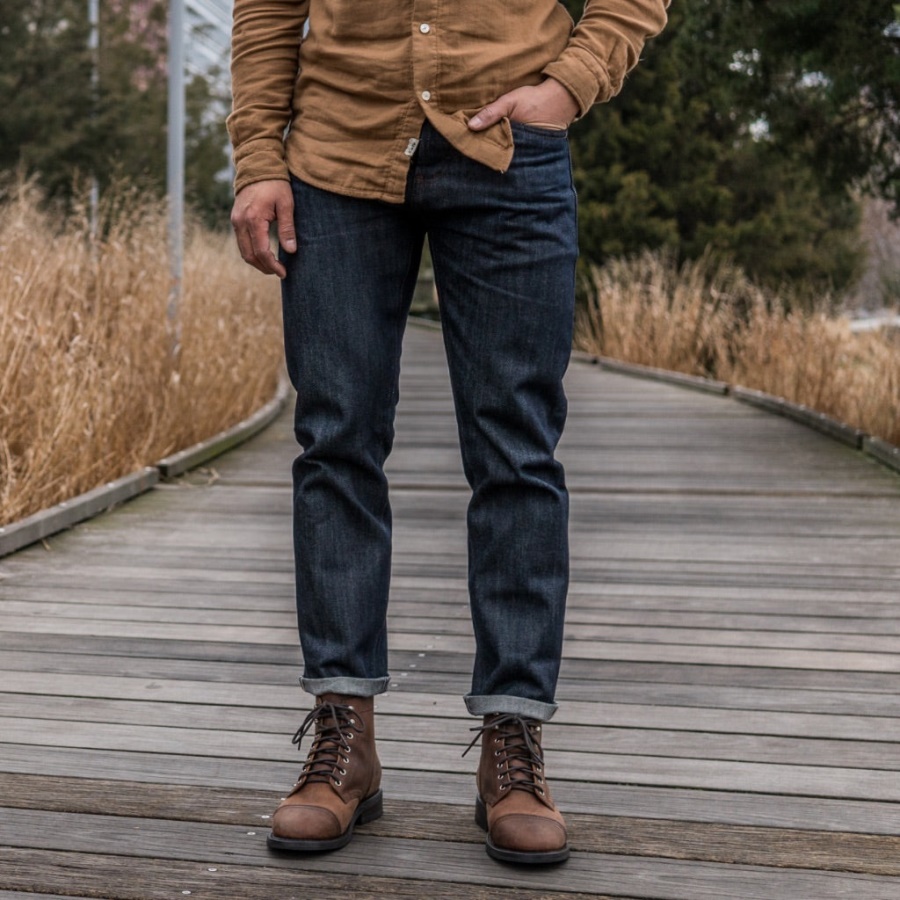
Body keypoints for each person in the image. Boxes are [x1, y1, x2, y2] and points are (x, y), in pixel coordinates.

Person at [229, 0, 668, 866]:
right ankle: (343, 741)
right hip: (336, 151)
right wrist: (256, 158)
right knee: (337, 442)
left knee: (517, 449)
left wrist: (568, 87)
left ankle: (513, 747)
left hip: (510, 149)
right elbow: (268, 10)